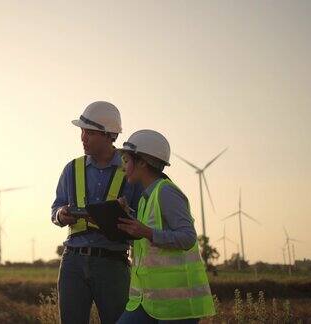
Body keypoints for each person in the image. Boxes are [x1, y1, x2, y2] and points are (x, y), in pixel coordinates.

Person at [51, 101, 142, 324]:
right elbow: (56, 210)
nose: (83, 137)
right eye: (82, 131)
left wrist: (127, 212)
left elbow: (144, 218)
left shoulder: (131, 169)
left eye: (89, 132)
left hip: (112, 263)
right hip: (73, 260)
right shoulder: (71, 168)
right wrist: (62, 214)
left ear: (109, 135)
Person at [115, 130, 216, 324]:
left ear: (142, 162)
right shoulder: (146, 198)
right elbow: (149, 239)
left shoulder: (166, 192)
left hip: (177, 304)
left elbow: (187, 237)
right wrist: (127, 216)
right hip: (148, 300)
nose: (122, 167)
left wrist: (146, 232)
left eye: (126, 160)